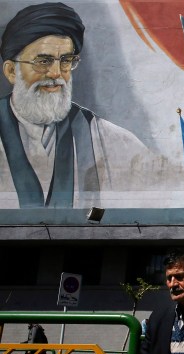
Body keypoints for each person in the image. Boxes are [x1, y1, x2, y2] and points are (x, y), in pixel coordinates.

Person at [0, 2, 153, 209]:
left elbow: (156, 201)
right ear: (10, 71)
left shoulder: (108, 139)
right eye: (43, 61)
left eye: (65, 61)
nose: (56, 73)